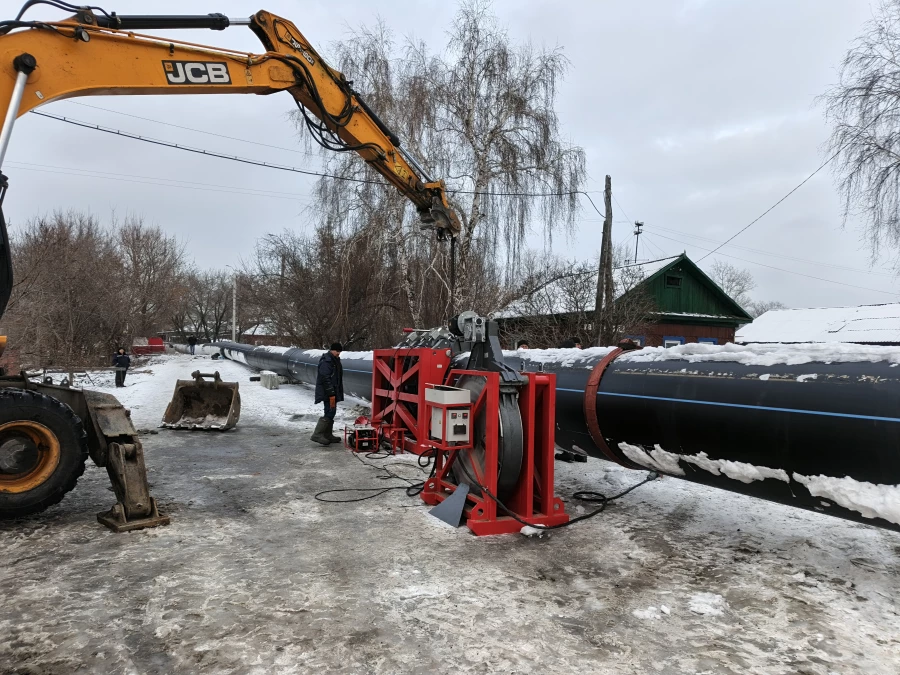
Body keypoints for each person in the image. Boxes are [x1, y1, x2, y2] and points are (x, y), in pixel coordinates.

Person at [311, 342, 344, 445]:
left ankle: (327, 434)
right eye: (337, 351)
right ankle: (317, 434)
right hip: (329, 393)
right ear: (332, 350)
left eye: (340, 351)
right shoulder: (327, 361)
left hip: (332, 392)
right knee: (330, 411)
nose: (338, 353)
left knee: (331, 411)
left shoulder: (334, 360)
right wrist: (331, 391)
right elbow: (325, 378)